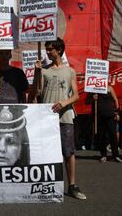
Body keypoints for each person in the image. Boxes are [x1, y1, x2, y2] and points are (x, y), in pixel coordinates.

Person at [33, 37, 86, 200]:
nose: (48, 52)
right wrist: (36, 72)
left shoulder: (70, 71)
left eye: (50, 49)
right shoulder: (44, 70)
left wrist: (64, 102)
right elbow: (36, 92)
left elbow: (76, 96)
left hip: (65, 117)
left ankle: (72, 185)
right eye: (47, 49)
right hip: (46, 118)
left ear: (59, 50)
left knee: (68, 151)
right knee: (46, 152)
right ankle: (47, 185)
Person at [86, 85, 122, 163]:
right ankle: (103, 155)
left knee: (113, 135)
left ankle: (116, 155)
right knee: (101, 135)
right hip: (98, 116)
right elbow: (87, 102)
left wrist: (117, 112)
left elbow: (115, 100)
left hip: (110, 115)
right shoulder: (92, 89)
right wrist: (92, 98)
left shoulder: (109, 88)